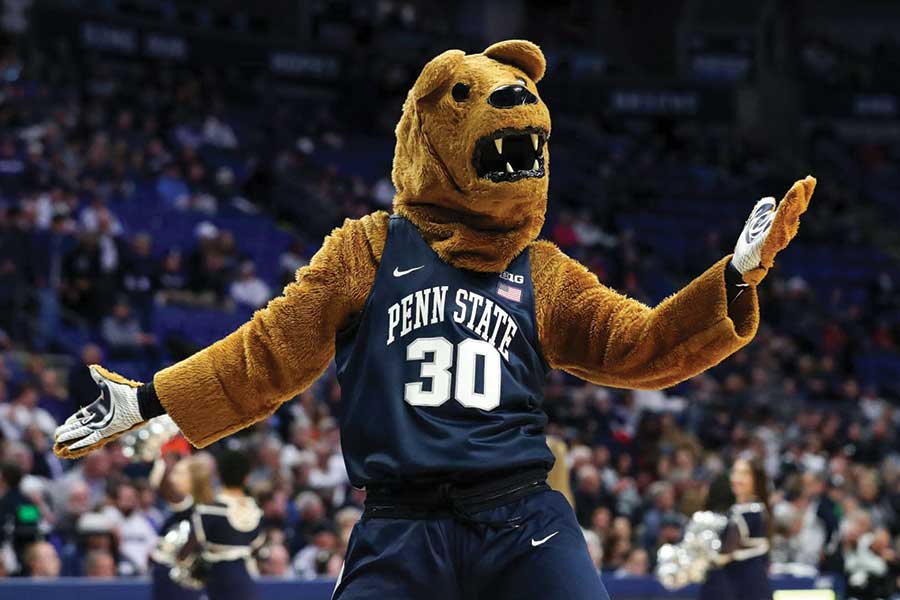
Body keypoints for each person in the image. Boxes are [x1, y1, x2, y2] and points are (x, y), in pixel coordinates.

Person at [54, 41, 815, 600]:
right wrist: (148, 398)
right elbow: (267, 356)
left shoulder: (542, 269)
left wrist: (736, 277)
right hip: (400, 524)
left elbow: (642, 346)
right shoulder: (367, 249)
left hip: (520, 517)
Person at [177, 450, 264, 600]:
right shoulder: (255, 510)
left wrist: (179, 561)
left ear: (218, 474)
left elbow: (188, 550)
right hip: (245, 579)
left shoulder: (209, 509)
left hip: (218, 579)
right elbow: (256, 547)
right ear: (247, 477)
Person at [149, 453, 213, 600]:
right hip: (169, 573)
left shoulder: (208, 506)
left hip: (191, 574)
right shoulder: (186, 503)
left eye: (179, 473)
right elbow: (167, 489)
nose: (173, 478)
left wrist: (183, 556)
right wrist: (164, 463)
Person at [718, 458, 772, 600]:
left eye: (744, 473)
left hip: (749, 587)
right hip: (734, 585)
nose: (737, 478)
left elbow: (727, 550)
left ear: (756, 479)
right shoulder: (736, 509)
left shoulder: (753, 511)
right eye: (735, 472)